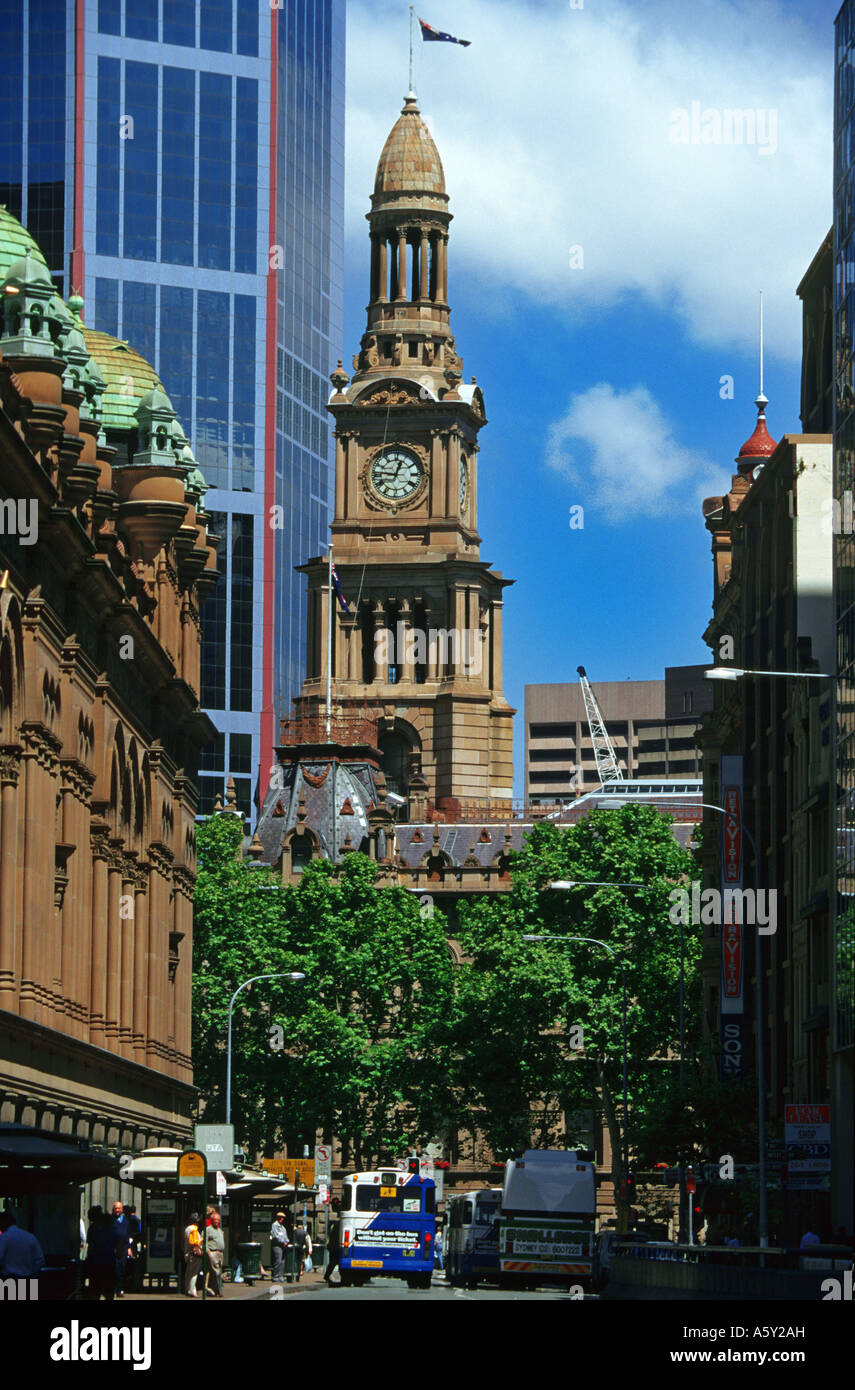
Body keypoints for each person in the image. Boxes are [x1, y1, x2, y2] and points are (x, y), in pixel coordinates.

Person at [0, 1211, 45, 1281]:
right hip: (28, 1278)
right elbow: (40, 1260)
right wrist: (33, 1275)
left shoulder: (3, 1238)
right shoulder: (30, 1237)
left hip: (9, 1279)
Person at [86, 1211, 117, 1300]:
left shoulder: (93, 1229)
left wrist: (89, 1258)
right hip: (109, 1262)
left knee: (95, 1290)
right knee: (109, 1290)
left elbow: (90, 1246)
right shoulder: (112, 1230)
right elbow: (117, 1245)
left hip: (96, 1262)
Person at [111, 1200, 133, 1298]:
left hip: (123, 1249)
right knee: (114, 1270)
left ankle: (120, 1289)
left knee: (122, 1270)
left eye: (119, 1208)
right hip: (113, 1249)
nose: (117, 1210)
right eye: (115, 1208)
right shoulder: (110, 1220)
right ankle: (114, 1289)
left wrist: (129, 1248)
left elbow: (127, 1235)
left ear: (122, 1210)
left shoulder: (126, 1221)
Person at [184, 1212, 204, 1297]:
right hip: (194, 1253)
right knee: (194, 1273)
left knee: (189, 1272)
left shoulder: (187, 1229)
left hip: (188, 1253)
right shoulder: (194, 1229)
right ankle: (192, 1291)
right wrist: (202, 1239)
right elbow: (194, 1242)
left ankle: (188, 1289)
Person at [205, 1211, 225, 1297]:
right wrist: (208, 1251)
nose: (217, 1221)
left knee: (218, 1272)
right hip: (213, 1252)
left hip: (220, 1253)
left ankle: (214, 1290)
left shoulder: (219, 1230)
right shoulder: (208, 1230)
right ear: (212, 1220)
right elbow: (204, 1240)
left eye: (218, 1220)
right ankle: (216, 1291)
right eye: (215, 1220)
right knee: (215, 1272)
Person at [126, 1205, 144, 1292]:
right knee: (133, 1262)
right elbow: (140, 1232)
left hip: (126, 1244)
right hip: (134, 1244)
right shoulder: (137, 1220)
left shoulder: (125, 1220)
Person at [269, 1211, 290, 1283]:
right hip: (277, 1246)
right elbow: (276, 1236)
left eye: (283, 1218)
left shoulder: (283, 1227)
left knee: (282, 1262)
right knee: (277, 1261)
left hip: (283, 1246)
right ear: (277, 1218)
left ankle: (281, 1276)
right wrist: (282, 1242)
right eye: (281, 1218)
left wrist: (286, 1242)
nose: (282, 1219)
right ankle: (275, 1276)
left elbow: (285, 1236)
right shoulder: (274, 1225)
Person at [324, 1219, 340, 1286]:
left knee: (332, 1263)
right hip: (335, 1247)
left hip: (332, 1246)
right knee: (333, 1263)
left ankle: (327, 1276)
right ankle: (327, 1276)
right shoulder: (337, 1225)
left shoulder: (333, 1225)